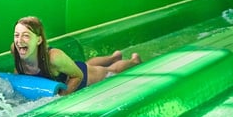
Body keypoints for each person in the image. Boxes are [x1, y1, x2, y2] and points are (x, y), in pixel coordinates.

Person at [11, 15, 142, 95]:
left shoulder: (53, 57)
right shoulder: (16, 49)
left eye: (26, 36)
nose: (19, 40)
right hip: (66, 69)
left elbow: (78, 75)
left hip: (78, 77)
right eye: (16, 35)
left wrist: (63, 96)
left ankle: (133, 61)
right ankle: (113, 57)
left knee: (109, 71)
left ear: (39, 40)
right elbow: (19, 70)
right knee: (88, 64)